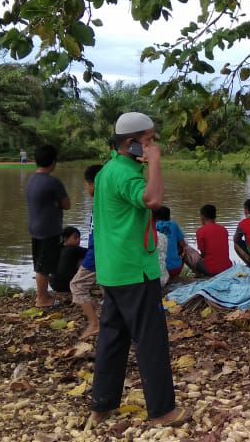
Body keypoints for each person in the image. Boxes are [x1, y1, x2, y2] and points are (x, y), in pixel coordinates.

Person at [90, 112, 189, 427]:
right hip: (135, 271)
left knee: (113, 339)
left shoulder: (108, 170)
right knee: (151, 341)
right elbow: (153, 199)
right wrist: (156, 162)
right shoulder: (126, 174)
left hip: (113, 271)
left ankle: (102, 405)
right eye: (148, 141)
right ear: (131, 144)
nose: (152, 146)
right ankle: (162, 411)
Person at [25, 144, 70, 308]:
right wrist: (56, 204)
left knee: (40, 263)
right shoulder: (53, 182)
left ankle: (42, 295)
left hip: (35, 228)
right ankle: (42, 299)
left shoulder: (31, 180)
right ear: (53, 162)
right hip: (48, 230)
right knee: (44, 266)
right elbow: (67, 204)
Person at [70, 164, 102, 338]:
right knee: (109, 290)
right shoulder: (103, 203)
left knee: (77, 285)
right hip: (101, 254)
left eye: (87, 184)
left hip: (97, 255)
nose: (86, 188)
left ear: (94, 185)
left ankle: (94, 323)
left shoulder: (102, 205)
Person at [195, 204, 231, 276]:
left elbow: (203, 253)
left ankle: (199, 275)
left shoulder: (200, 231)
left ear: (202, 217)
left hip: (213, 270)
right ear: (215, 216)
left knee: (196, 261)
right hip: (227, 268)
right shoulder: (224, 229)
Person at [154, 206, 189, 280]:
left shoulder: (153, 227)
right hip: (175, 269)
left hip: (158, 272)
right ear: (169, 216)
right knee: (184, 247)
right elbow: (183, 244)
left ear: (156, 217)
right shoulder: (174, 225)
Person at [50, 226, 85, 293]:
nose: (79, 240)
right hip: (67, 286)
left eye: (79, 237)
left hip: (54, 285)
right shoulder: (74, 249)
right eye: (75, 237)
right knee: (89, 258)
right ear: (65, 238)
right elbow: (93, 253)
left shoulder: (56, 249)